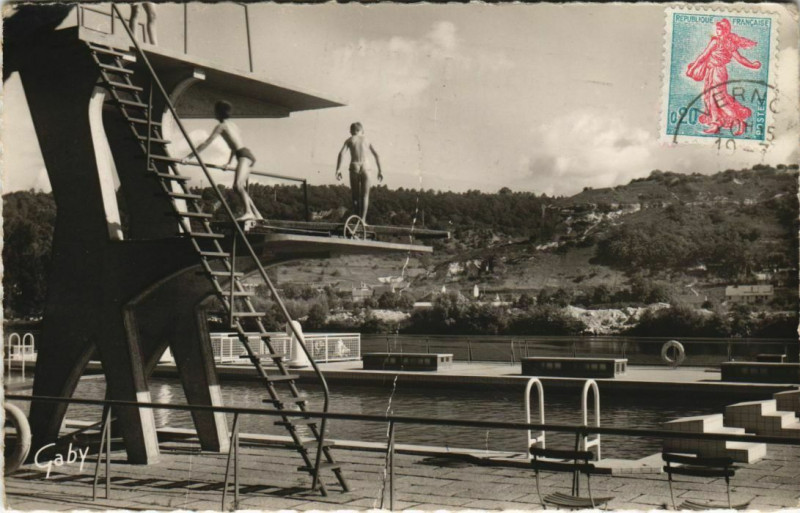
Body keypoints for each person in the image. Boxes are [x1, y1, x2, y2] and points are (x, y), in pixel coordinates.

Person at [181, 100, 263, 221]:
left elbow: (206, 143)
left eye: (215, 111)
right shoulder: (233, 125)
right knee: (240, 187)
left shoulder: (221, 126)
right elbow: (234, 146)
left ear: (219, 113)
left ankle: (248, 212)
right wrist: (229, 163)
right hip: (246, 154)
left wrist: (189, 157)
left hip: (243, 156)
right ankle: (257, 214)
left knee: (237, 185)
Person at [686, 18, 761, 136]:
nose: (717, 31)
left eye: (720, 30)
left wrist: (692, 68)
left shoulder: (717, 42)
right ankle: (715, 124)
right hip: (715, 71)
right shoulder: (726, 43)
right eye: (717, 29)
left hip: (717, 72)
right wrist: (752, 65)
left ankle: (740, 122)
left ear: (726, 31)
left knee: (719, 100)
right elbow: (705, 56)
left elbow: (704, 56)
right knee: (711, 99)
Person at [335, 122, 383, 223]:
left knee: (355, 196)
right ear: (362, 131)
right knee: (365, 195)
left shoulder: (349, 140)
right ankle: (363, 220)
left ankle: (357, 218)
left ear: (351, 131)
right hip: (366, 167)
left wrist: (338, 169)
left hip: (354, 166)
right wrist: (380, 171)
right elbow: (377, 155)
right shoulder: (367, 140)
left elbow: (341, 153)